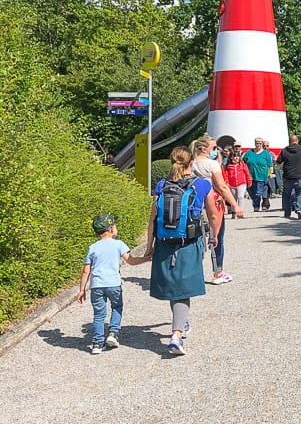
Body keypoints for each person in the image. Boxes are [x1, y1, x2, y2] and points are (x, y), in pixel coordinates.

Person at [141, 146, 222, 356]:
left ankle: (181, 324)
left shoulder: (161, 185)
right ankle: (176, 335)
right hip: (189, 242)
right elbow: (213, 214)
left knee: (173, 287)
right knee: (183, 290)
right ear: (191, 163)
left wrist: (149, 246)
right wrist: (214, 236)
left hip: (164, 242)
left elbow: (152, 219)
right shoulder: (202, 184)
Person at [77, 214, 146, 354]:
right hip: (113, 284)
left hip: (96, 285)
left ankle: (96, 344)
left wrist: (82, 290)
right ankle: (113, 333)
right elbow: (131, 261)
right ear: (111, 229)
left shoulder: (93, 247)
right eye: (115, 225)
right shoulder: (118, 244)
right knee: (117, 307)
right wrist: (147, 258)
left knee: (98, 314)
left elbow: (86, 271)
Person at [191, 134, 243, 285]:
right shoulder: (211, 164)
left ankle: (194, 273)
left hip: (195, 204)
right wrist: (235, 205)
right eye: (214, 148)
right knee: (216, 238)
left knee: (196, 238)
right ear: (204, 149)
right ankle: (218, 272)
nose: (216, 151)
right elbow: (222, 186)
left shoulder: (191, 163)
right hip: (213, 203)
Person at [276, 134, 301, 220]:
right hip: (299, 176)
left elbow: (278, 163)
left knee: (286, 195)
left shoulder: (284, 150)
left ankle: (287, 213)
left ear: (289, 141)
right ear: (297, 141)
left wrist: (275, 160)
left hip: (287, 177)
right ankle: (299, 209)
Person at [244, 137, 274, 212]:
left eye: (260, 143)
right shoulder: (249, 153)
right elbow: (243, 162)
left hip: (261, 176)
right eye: (257, 143)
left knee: (258, 193)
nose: (258, 145)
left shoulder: (266, 154)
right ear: (255, 143)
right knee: (250, 191)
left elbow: (270, 165)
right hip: (250, 176)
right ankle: (255, 203)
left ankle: (256, 206)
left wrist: (271, 173)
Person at [223, 146, 251, 219]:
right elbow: (226, 176)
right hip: (232, 184)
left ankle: (240, 211)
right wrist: (226, 183)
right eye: (234, 156)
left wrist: (249, 181)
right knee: (233, 199)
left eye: (237, 157)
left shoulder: (242, 165)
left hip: (241, 183)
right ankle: (233, 211)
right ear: (231, 158)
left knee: (240, 197)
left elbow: (247, 173)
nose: (236, 158)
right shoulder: (228, 166)